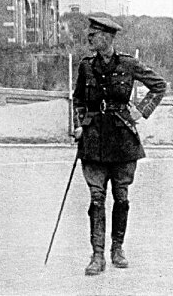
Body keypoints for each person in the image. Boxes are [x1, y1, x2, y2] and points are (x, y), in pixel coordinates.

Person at [73, 16, 167, 276]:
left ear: (107, 37)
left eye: (94, 34)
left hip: (123, 139)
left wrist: (141, 111)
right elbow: (78, 98)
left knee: (121, 197)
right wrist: (78, 124)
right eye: (90, 34)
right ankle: (97, 255)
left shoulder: (128, 63)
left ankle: (117, 248)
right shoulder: (86, 66)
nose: (89, 38)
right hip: (93, 138)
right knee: (96, 198)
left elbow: (159, 86)